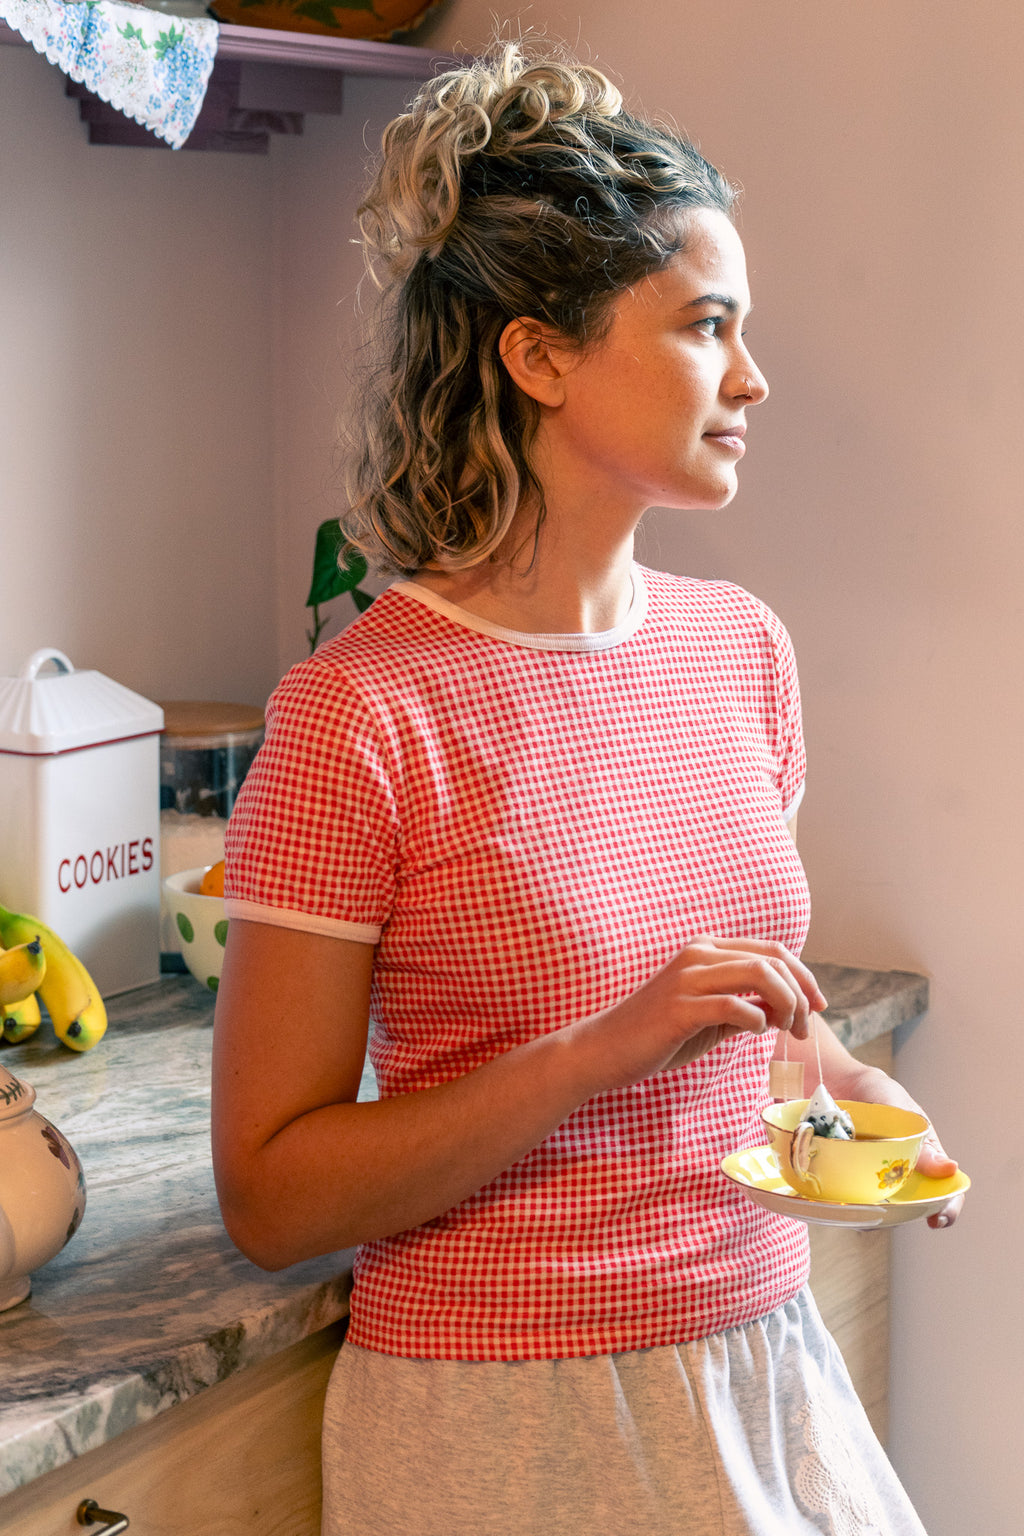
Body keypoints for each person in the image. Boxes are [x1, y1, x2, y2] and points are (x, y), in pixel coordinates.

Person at [211, 40, 962, 1536]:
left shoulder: (740, 651)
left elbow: (748, 1030)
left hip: (760, 1352)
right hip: (515, 1415)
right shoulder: (358, 714)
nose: (753, 377)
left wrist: (851, 1104)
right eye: (705, 326)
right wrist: (592, 1053)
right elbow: (273, 1196)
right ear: (539, 355)